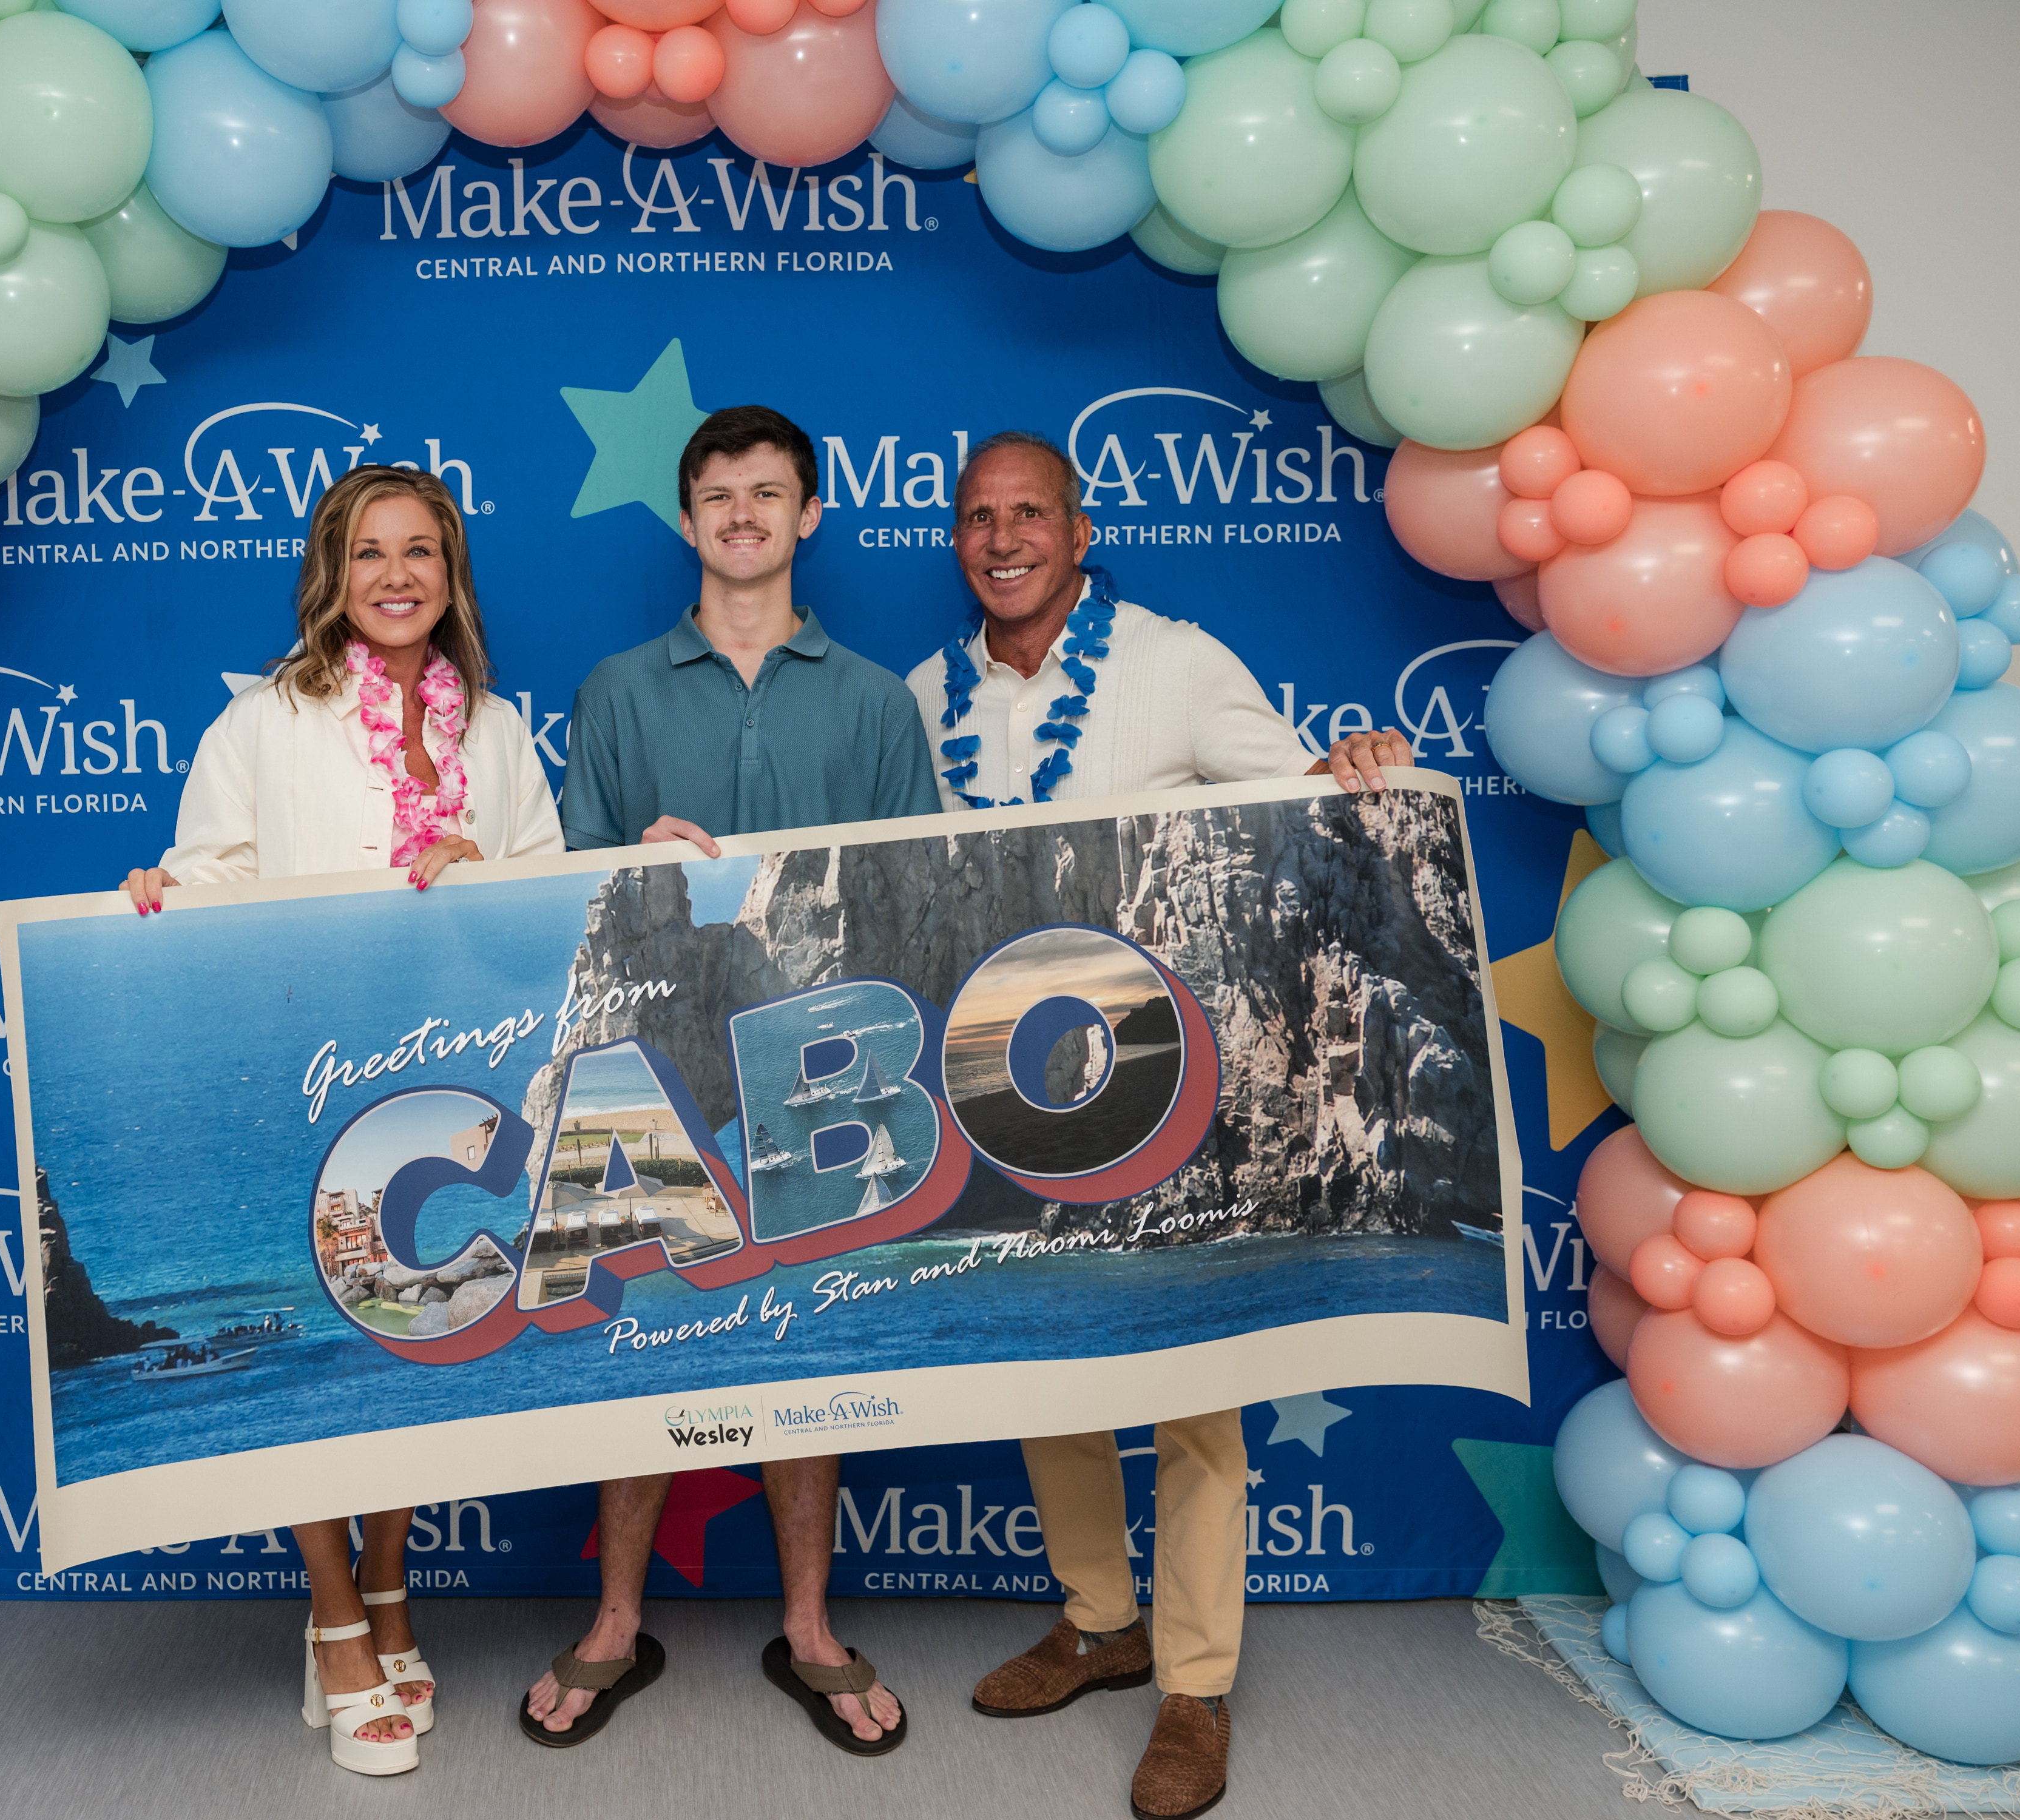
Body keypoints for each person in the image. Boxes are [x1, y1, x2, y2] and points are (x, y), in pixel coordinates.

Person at [902, 430, 1414, 1820]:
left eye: (1030, 515)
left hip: (1179, 1080)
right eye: (977, 518)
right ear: (958, 540)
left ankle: (1193, 1686)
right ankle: (1098, 1618)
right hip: (1012, 1087)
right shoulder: (922, 697)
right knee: (1053, 1370)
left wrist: (1352, 759)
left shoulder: (1176, 662)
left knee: (1193, 1393)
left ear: (1078, 531)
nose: (1003, 538)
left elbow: (1297, 801)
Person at [124, 463, 564, 1779]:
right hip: (295, 1067)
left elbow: (545, 887)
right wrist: (163, 889)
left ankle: (388, 1586)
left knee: (404, 1328)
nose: (395, 576)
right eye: (368, 552)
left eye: (420, 551)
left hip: (438, 1080)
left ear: (451, 572)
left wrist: (486, 868)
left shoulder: (491, 727)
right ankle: (332, 1621)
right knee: (321, 1346)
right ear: (332, 571)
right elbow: (210, 874)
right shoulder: (267, 721)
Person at [521, 405, 940, 1756]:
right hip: (651, 1061)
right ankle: (613, 1621)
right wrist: (634, 858)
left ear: (810, 514)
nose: (744, 513)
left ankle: (809, 1626)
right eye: (719, 494)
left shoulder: (876, 700)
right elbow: (562, 880)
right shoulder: (617, 689)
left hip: (819, 1061)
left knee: (805, 1341)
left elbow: (913, 889)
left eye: (770, 492)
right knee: (639, 1325)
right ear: (689, 518)